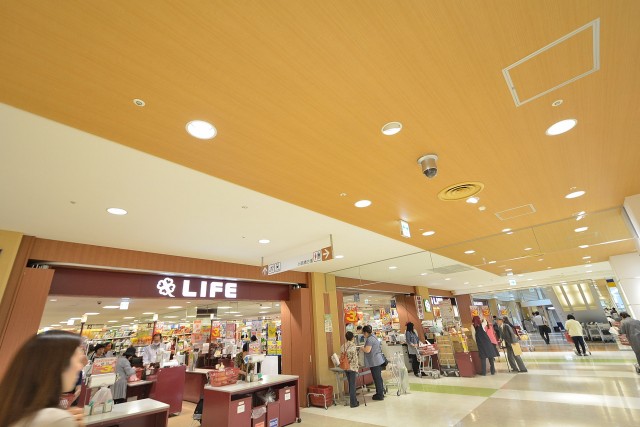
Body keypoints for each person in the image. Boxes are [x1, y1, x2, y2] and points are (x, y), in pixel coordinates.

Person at [0, 331, 85, 427]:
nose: (80, 367)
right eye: (78, 360)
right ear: (58, 364)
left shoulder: (10, 407)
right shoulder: (56, 419)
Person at [361, 325, 385, 400]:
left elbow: (367, 350)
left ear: (365, 332)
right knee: (378, 378)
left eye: (363, 333)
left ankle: (379, 395)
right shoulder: (374, 337)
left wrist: (362, 348)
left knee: (377, 378)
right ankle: (381, 392)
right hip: (377, 360)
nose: (363, 335)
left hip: (374, 361)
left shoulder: (370, 339)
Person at [341, 331, 360, 407]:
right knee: (352, 385)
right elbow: (355, 358)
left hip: (345, 367)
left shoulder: (343, 346)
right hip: (352, 367)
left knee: (350, 384)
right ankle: (353, 402)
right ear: (352, 337)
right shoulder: (353, 346)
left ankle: (353, 400)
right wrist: (357, 367)